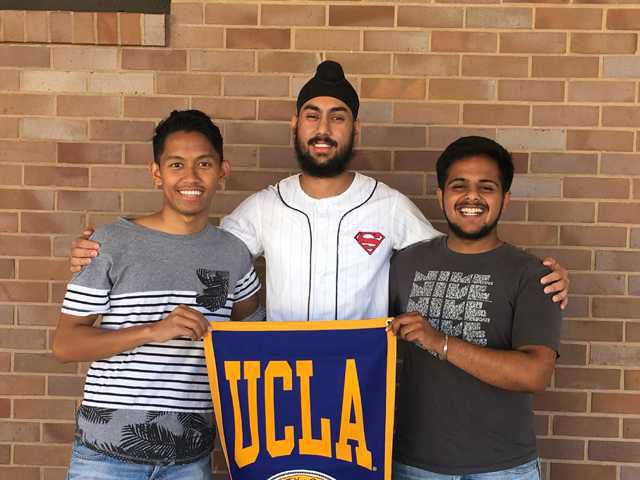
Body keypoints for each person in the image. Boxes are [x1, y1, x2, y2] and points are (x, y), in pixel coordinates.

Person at [68, 61, 570, 321]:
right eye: (312, 116)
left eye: (338, 117)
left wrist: (534, 279)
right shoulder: (263, 206)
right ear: (296, 126)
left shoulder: (389, 205)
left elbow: (452, 263)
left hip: (361, 378)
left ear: (355, 130)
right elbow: (201, 251)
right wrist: (110, 250)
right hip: (281, 374)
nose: (324, 129)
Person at [53, 110, 262, 480]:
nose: (191, 177)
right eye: (176, 164)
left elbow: (251, 332)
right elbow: (65, 345)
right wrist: (153, 330)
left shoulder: (233, 253)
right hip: (105, 456)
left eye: (204, 164)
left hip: (190, 458)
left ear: (222, 171)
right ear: (156, 173)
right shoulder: (110, 243)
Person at [388, 136, 561, 480]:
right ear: (441, 195)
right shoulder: (405, 263)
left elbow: (534, 373)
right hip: (415, 464)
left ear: (505, 199)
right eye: (459, 185)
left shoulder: (532, 274)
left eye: (486, 187)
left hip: (502, 467)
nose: (472, 197)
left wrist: (438, 341)